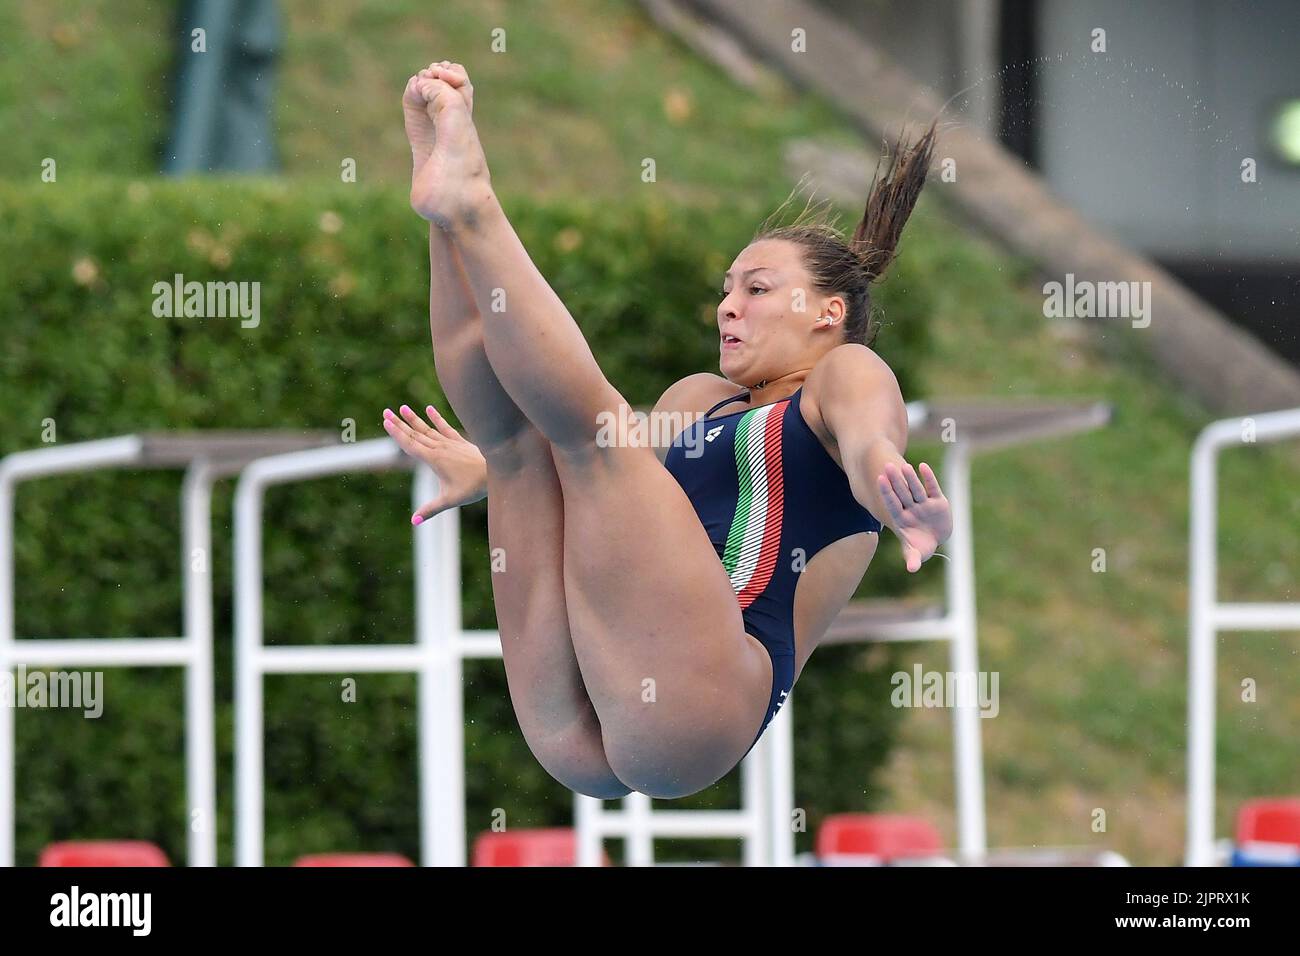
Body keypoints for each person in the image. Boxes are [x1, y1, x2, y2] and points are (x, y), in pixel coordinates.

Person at [381, 61, 952, 800]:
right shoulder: (703, 399)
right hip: (583, 725)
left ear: (827, 313)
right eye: (725, 291)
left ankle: (475, 202)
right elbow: (611, 493)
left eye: (757, 289)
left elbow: (873, 440)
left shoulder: (843, 376)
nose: (728, 308)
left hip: (702, 708)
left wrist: (895, 495)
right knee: (523, 448)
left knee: (596, 436)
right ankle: (446, 214)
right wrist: (485, 474)